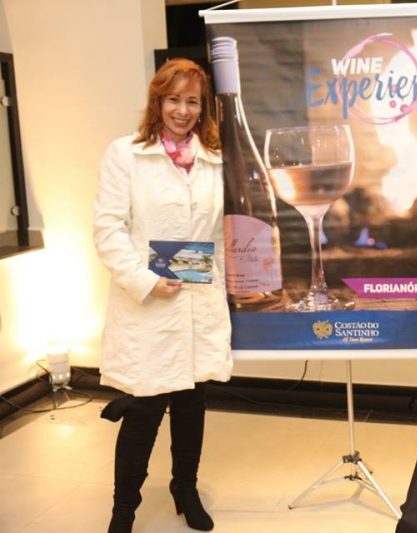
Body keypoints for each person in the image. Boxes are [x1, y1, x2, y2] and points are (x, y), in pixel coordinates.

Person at [93, 58, 231, 532]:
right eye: (174, 99)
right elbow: (108, 230)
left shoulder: (215, 158)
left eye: (192, 101)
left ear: (203, 107)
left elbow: (220, 235)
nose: (183, 110)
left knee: (192, 405)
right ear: (158, 101)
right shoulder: (125, 154)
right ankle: (123, 511)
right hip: (148, 305)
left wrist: (228, 288)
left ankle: (184, 488)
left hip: (199, 302)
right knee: (144, 410)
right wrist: (145, 280)